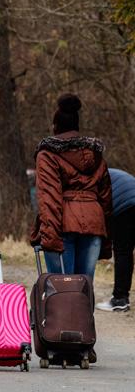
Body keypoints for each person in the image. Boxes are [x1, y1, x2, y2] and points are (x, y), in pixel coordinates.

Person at [31, 94, 112, 278]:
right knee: (84, 288)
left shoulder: (48, 155)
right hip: (94, 223)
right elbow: (106, 199)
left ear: (56, 127)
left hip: (62, 225)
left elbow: (49, 198)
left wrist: (50, 238)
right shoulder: (96, 154)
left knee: (63, 289)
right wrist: (107, 239)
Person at [96, 168, 135, 312]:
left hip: (124, 207)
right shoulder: (105, 171)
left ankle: (120, 299)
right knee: (126, 253)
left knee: (123, 252)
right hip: (130, 198)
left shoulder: (90, 177)